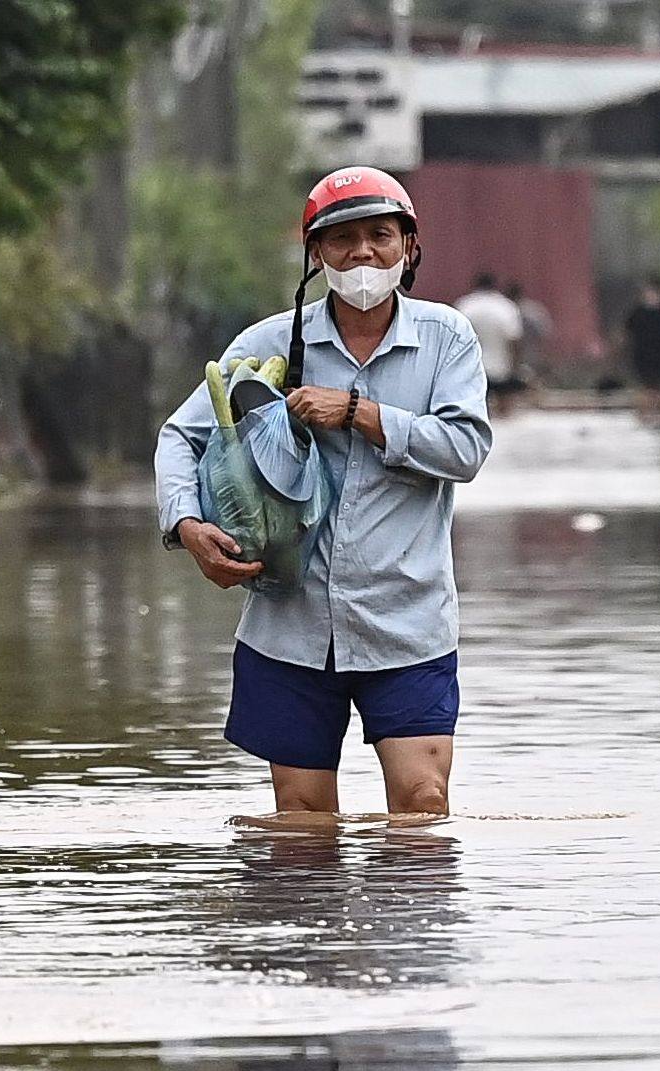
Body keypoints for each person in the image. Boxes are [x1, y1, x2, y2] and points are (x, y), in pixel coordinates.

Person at [155, 167, 492, 817]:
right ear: (315, 254)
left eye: (379, 235)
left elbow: (466, 450)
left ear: (409, 248)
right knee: (302, 824)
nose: (362, 252)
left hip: (408, 624)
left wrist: (359, 412)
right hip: (288, 625)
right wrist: (188, 527)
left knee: (423, 808)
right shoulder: (269, 345)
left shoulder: (447, 339)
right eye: (341, 239)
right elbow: (180, 436)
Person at [455, 272, 525, 414]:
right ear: (494, 286)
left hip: (469, 370)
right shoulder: (506, 307)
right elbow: (514, 341)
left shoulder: (465, 306)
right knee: (504, 416)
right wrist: (515, 369)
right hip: (500, 370)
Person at [625, 275, 660, 428]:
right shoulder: (637, 313)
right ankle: (643, 419)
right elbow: (629, 332)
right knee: (644, 388)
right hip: (642, 356)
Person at [505, 281, 552, 386]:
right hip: (532, 354)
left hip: (516, 356)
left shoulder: (506, 312)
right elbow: (544, 334)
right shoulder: (534, 311)